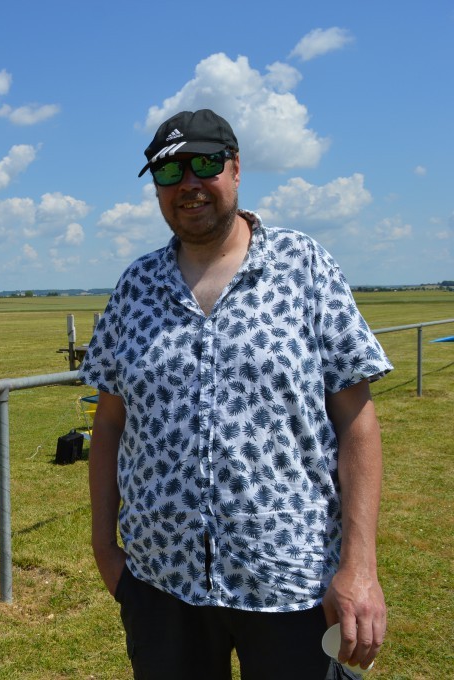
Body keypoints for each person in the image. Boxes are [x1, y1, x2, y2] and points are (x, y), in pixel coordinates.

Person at [79, 109, 391, 679]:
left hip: (292, 582)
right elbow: (109, 425)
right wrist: (106, 549)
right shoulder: (135, 288)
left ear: (237, 168)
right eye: (169, 172)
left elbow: (358, 423)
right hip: (160, 582)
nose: (188, 184)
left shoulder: (304, 267)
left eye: (204, 164)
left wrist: (360, 567)